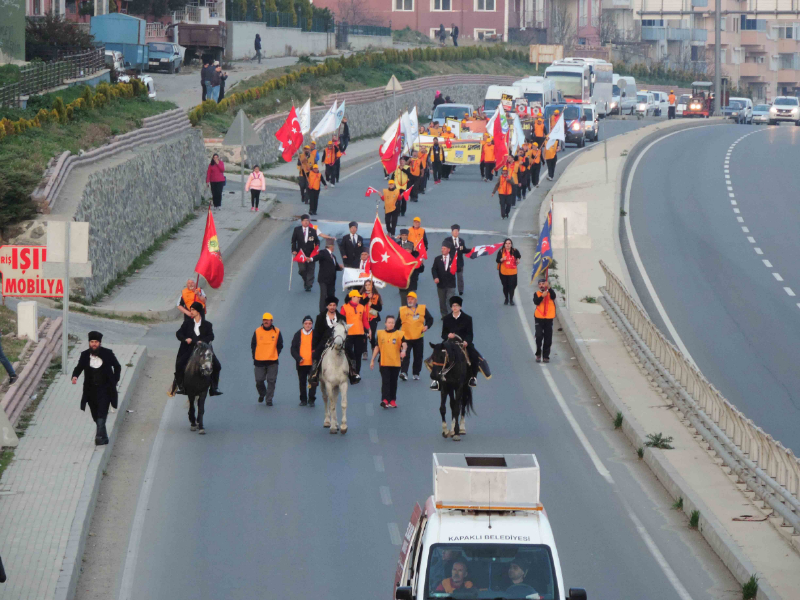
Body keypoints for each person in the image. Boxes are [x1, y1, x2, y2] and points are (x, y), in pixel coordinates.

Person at [71, 331, 121, 446]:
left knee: (102, 411)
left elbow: (117, 366)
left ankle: (98, 437)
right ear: (89, 343)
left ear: (100, 343)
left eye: (96, 342)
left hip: (105, 389)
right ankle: (104, 437)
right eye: (92, 342)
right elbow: (79, 367)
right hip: (90, 390)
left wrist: (114, 380)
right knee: (95, 413)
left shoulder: (108, 353)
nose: (94, 344)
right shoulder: (84, 355)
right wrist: (74, 376)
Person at [171, 302, 223, 397]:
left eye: (193, 310)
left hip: (203, 350)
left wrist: (202, 341)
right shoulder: (187, 323)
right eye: (191, 310)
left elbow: (211, 336)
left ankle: (214, 387)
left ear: (198, 311)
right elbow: (179, 333)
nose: (191, 312)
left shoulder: (207, 325)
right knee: (179, 364)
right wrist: (185, 339)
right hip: (189, 349)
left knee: (217, 366)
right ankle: (181, 386)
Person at [310, 296, 360, 385]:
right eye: (330, 305)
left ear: (336, 306)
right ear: (327, 306)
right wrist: (314, 346)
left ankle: (353, 373)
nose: (332, 307)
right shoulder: (320, 317)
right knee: (317, 354)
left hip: (340, 340)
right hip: (325, 340)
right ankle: (314, 374)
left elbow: (345, 331)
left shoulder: (342, 317)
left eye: (334, 305)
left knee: (350, 352)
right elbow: (317, 332)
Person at [437, 296, 480, 388]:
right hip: (450, 343)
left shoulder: (468, 318)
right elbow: (443, 334)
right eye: (453, 306)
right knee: (437, 355)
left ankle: (473, 377)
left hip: (463, 343)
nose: (455, 307)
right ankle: (436, 379)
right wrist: (448, 335)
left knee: (474, 356)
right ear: (451, 307)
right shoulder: (446, 319)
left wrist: (466, 341)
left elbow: (470, 334)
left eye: (456, 306)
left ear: (460, 307)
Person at [370, 315, 407, 409]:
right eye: (389, 322)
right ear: (385, 323)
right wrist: (372, 360)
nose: (391, 324)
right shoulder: (380, 333)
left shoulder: (400, 333)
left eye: (392, 323)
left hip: (396, 362)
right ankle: (385, 400)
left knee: (393, 381)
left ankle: (392, 400)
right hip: (383, 362)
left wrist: (403, 351)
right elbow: (377, 347)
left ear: (394, 324)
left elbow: (404, 344)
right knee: (385, 381)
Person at [398, 292, 433, 381]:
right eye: (408, 299)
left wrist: (427, 326)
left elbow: (430, 319)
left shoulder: (422, 308)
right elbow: (397, 323)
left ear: (416, 300)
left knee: (418, 356)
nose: (410, 300)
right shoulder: (402, 310)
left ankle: (416, 373)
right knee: (405, 355)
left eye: (412, 299)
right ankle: (404, 372)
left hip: (418, 337)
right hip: (406, 337)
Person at [251, 313, 283, 406]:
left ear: (271, 321)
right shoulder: (257, 331)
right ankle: (262, 393)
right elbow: (253, 345)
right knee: (259, 380)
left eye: (268, 320)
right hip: (259, 361)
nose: (266, 321)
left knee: (271, 380)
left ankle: (269, 399)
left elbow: (280, 345)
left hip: (272, 361)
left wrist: (275, 353)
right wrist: (255, 356)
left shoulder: (277, 331)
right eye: (264, 320)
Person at [310, 238, 343, 313]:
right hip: (323, 279)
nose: (334, 247)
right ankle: (322, 311)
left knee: (331, 295)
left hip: (331, 280)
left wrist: (340, 267)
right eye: (333, 246)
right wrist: (311, 259)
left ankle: (331, 309)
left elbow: (336, 266)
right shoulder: (323, 252)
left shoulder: (333, 256)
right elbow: (317, 257)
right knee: (323, 295)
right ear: (331, 246)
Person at [290, 316, 317, 406]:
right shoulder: (298, 334)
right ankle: (303, 400)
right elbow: (293, 349)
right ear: (303, 324)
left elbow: (320, 347)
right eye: (306, 324)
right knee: (302, 382)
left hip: (313, 363)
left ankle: (311, 399)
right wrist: (298, 358)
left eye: (309, 324)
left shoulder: (316, 334)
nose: (308, 325)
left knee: (313, 382)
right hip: (301, 363)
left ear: (312, 324)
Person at [341, 289, 369, 375]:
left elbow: (364, 320)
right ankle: (349, 369)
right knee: (348, 352)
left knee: (358, 354)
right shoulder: (344, 307)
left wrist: (369, 330)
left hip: (359, 334)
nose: (359, 298)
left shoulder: (361, 307)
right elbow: (341, 320)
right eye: (358, 297)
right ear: (352, 297)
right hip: (348, 334)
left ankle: (357, 372)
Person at [291, 214, 320, 292]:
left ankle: (309, 285)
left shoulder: (313, 231)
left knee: (311, 269)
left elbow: (317, 241)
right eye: (305, 221)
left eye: (308, 221)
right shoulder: (297, 230)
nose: (306, 222)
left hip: (311, 254)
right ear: (301, 222)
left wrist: (317, 247)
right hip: (300, 254)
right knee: (302, 269)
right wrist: (294, 250)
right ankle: (306, 280)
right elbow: (293, 241)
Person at [443, 225, 470, 296]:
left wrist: (472, 250)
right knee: (450, 277)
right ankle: (450, 290)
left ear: (458, 232)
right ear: (452, 232)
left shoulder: (461, 241)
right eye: (454, 231)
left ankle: (461, 290)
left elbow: (464, 250)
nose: (456, 232)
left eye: (457, 231)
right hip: (450, 262)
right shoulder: (447, 240)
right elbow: (444, 250)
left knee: (460, 277)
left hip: (459, 262)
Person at [533, 278, 556, 363]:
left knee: (548, 338)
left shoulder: (550, 293)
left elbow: (554, 296)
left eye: (543, 284)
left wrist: (549, 288)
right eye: (540, 284)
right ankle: (538, 353)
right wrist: (542, 296)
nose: (541, 285)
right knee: (539, 336)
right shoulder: (537, 293)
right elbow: (536, 302)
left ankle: (546, 356)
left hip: (549, 318)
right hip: (539, 318)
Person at [431, 244, 456, 318]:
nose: (442, 250)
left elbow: (458, 268)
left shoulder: (453, 258)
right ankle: (444, 315)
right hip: (441, 284)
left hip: (451, 284)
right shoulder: (437, 259)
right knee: (442, 301)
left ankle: (450, 316)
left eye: (444, 248)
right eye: (442, 248)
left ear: (449, 250)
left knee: (450, 300)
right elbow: (434, 269)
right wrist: (435, 277)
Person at [360, 279, 382, 355]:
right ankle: (364, 351)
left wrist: (372, 305)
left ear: (372, 286)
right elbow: (360, 304)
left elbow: (380, 308)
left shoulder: (376, 295)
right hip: (364, 318)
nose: (367, 286)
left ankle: (373, 346)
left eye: (369, 285)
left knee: (371, 334)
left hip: (373, 318)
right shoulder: (361, 295)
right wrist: (367, 298)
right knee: (364, 335)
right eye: (366, 285)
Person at [496, 238, 521, 305]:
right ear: (504, 244)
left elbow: (518, 256)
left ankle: (511, 299)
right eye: (506, 243)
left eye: (509, 243)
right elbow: (497, 260)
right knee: (505, 286)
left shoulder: (515, 251)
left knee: (513, 286)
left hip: (513, 272)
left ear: (511, 244)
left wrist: (518, 259)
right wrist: (502, 259)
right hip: (503, 272)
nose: (507, 245)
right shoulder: (501, 251)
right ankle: (507, 299)